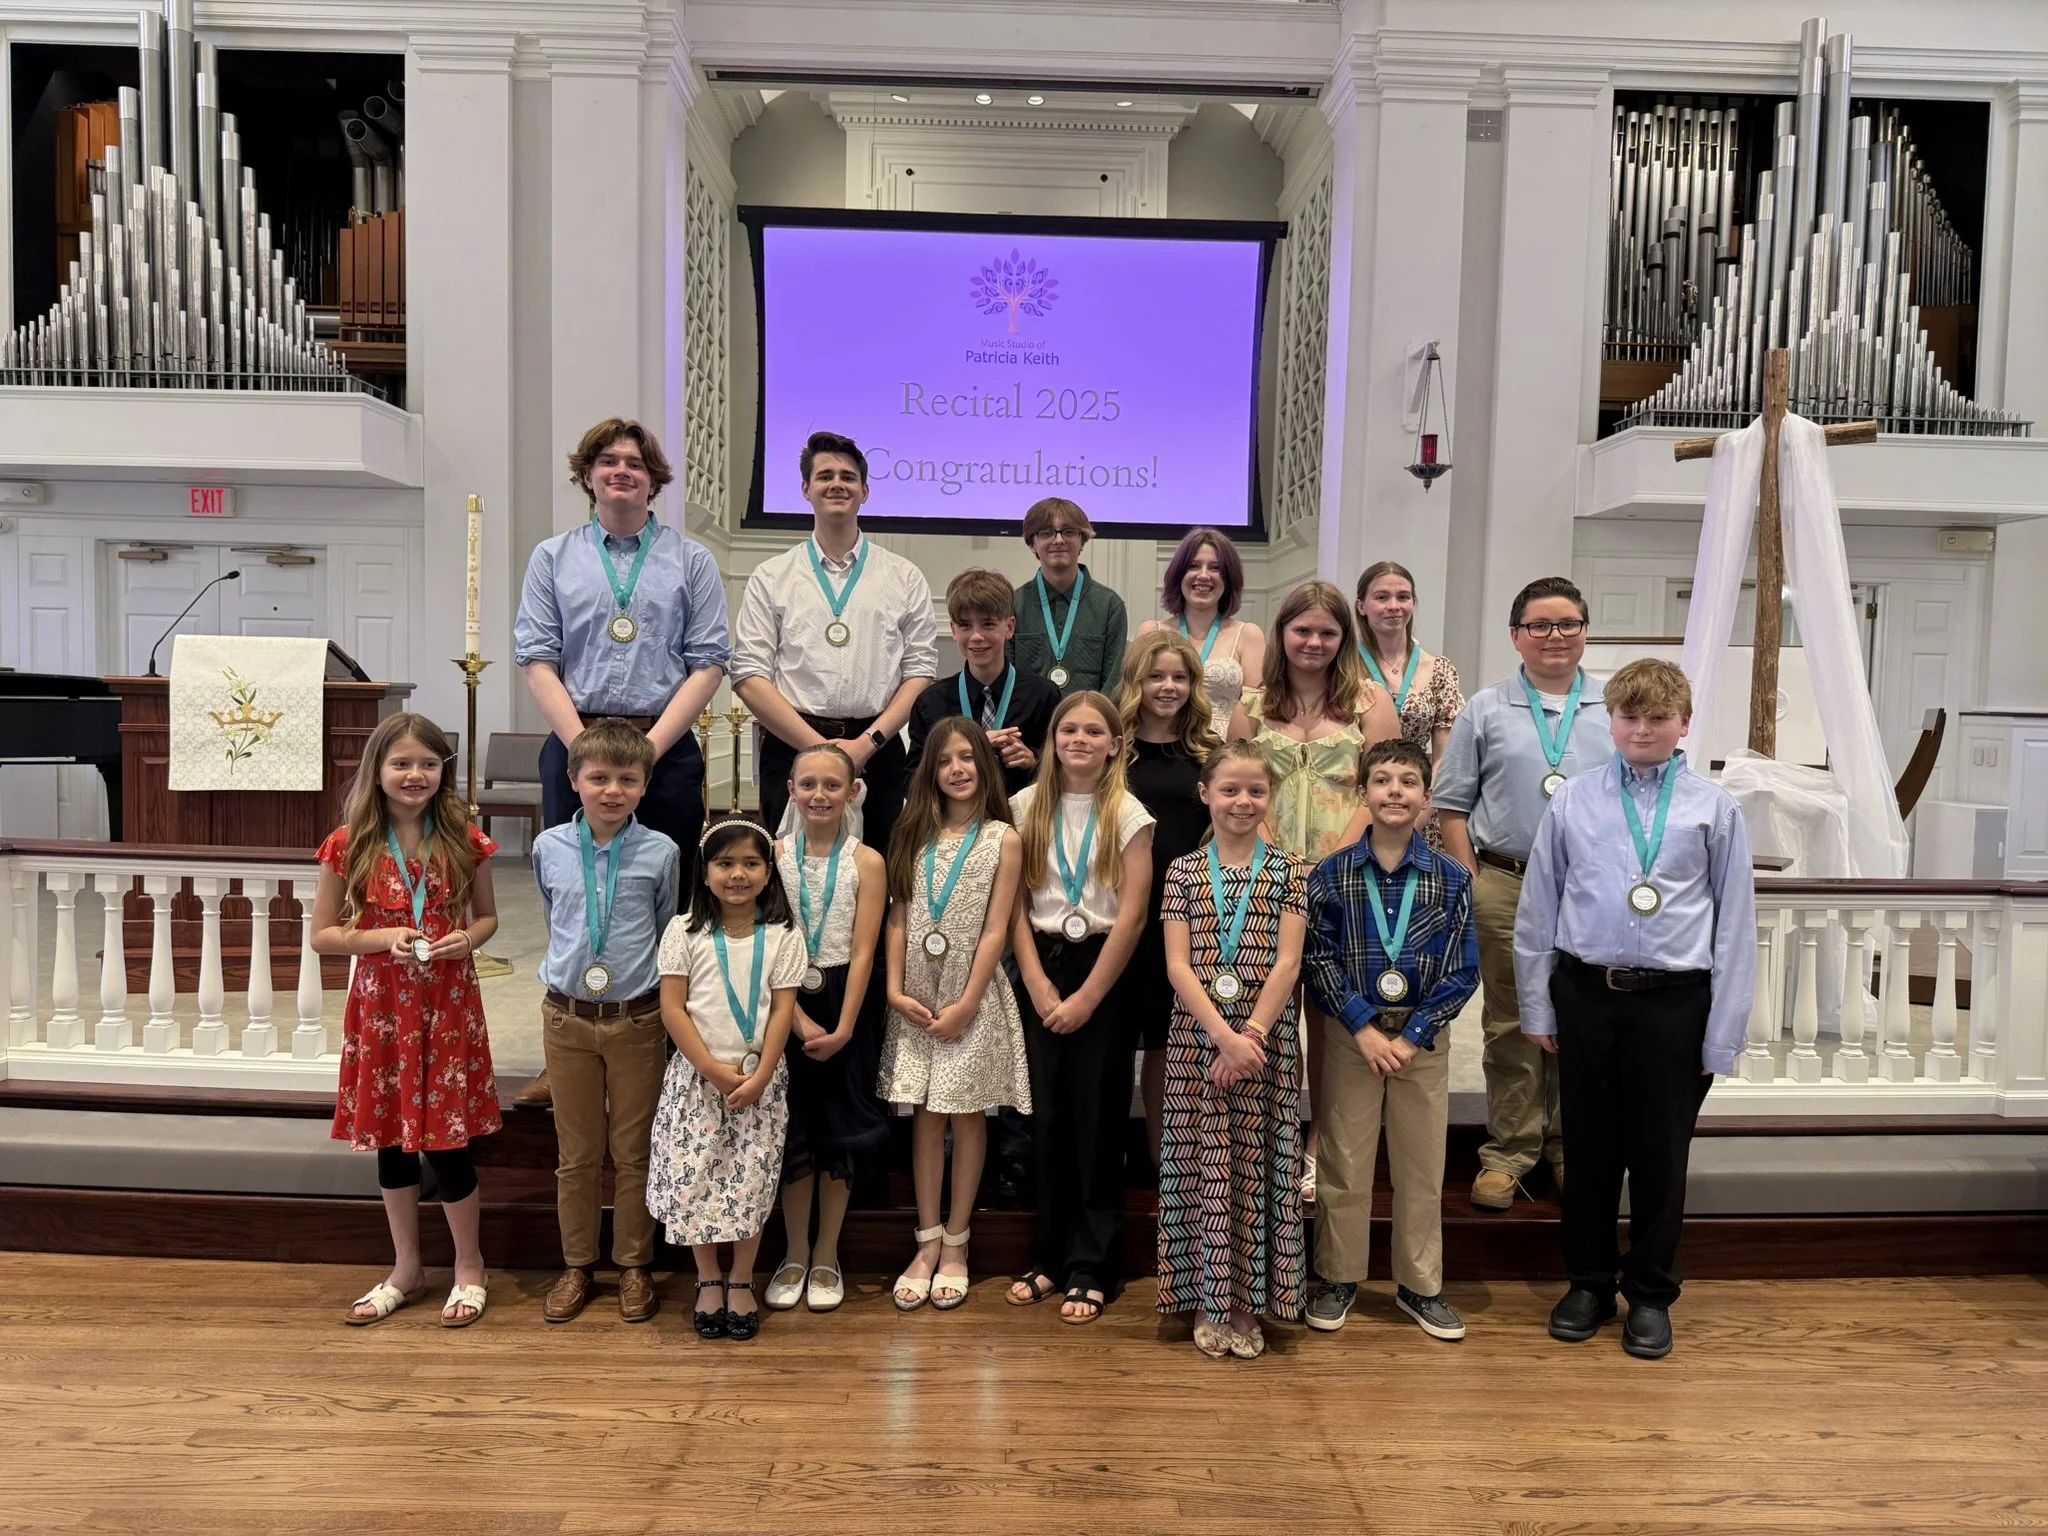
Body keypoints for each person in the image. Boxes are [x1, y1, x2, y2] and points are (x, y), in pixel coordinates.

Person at [1517, 659, 1754, 1360]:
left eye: (1657, 718)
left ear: (1684, 724)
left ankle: (1650, 1292)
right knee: (1588, 1149)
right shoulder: (1574, 801)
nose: (1643, 730)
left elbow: (1736, 927)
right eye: (1630, 716)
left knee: (1660, 1156)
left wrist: (1722, 1034)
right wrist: (1539, 1006)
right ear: (1611, 721)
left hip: (1675, 1003)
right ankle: (1588, 1283)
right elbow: (1538, 908)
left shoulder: (1714, 809)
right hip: (1588, 993)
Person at [513, 416, 730, 1110]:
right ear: (588, 475)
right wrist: (585, 752)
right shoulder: (553, 557)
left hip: (663, 745)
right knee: (573, 894)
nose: (621, 471)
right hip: (575, 739)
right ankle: (565, 1054)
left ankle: (663, 1049)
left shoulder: (691, 560)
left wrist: (645, 753)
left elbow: (708, 661)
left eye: (635, 463)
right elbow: (538, 657)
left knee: (672, 898)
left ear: (653, 479)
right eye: (608, 461)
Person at [314, 712, 500, 1330]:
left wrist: (465, 941)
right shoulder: (348, 843)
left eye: (427, 763)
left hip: (447, 1006)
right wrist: (381, 937)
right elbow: (322, 935)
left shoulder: (466, 840)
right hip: (383, 1011)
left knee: (448, 1143)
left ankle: (469, 1266)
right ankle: (407, 1268)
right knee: (391, 1142)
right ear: (378, 770)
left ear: (444, 771)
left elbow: (487, 919)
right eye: (401, 763)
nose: (415, 774)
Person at [1433, 575, 1611, 1212]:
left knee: (1580, 1018)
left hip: (1593, 888)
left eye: (1567, 624)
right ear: (1516, 636)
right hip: (1506, 880)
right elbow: (1452, 804)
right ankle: (1509, 1150)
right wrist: (1472, 878)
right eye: (1539, 625)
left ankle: (1568, 1146)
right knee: (1511, 1020)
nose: (1554, 636)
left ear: (1585, 632)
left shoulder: (1614, 707)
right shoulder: (1486, 708)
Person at [1227, 579, 1400, 1200]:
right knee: (1270, 1015)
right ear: (1282, 633)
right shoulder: (1251, 706)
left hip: (1346, 880)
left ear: (1344, 637)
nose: (1314, 642)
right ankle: (1275, 1137)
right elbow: (1236, 786)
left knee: (1330, 1018)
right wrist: (1276, 862)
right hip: (1264, 880)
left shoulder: (1370, 702)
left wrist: (1331, 863)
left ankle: (1322, 1143)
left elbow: (1384, 788)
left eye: (1328, 632)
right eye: (1303, 630)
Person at [1302, 738, 1479, 1342]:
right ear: (1363, 792)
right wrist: (1362, 1027)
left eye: (1408, 781)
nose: (1394, 791)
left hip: (1421, 1043)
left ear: (1427, 798)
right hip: (1353, 1037)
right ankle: (1337, 1276)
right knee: (1344, 1163)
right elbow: (1318, 959)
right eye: (1382, 780)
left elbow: (1463, 970)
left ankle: (1419, 1285)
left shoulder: (1451, 878)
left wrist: (1413, 1036)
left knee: (1421, 1167)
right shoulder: (1332, 874)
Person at [1156, 740, 1307, 1361]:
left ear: (1270, 797)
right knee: (1206, 1169)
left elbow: (1289, 962)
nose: (1242, 802)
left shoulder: (1291, 870)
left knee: (1257, 1166)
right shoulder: (1184, 872)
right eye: (1230, 790)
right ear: (1205, 795)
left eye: (1255, 791)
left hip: (1266, 1044)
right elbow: (1177, 966)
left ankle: (1248, 1301)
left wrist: (1252, 1037)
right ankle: (1208, 1299)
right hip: (1199, 1041)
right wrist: (1223, 1036)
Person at [1007, 691, 1154, 1324]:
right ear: (1053, 740)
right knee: (1046, 1117)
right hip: (1042, 963)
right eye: (1069, 729)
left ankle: (1092, 1264)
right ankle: (1048, 1253)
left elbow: (1135, 913)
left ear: (1115, 745)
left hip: (1104, 967)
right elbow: (1012, 905)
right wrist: (1037, 983)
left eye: (1095, 731)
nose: (1080, 740)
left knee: (1097, 1117)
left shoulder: (1128, 812)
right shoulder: (1024, 807)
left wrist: (1089, 995)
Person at [876, 718, 1030, 1311]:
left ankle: (958, 1243)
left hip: (971, 994)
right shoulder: (911, 830)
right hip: (917, 993)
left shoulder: (1002, 838)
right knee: (924, 1115)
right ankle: (927, 1241)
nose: (957, 769)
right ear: (930, 771)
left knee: (966, 1114)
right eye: (944, 760)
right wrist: (894, 989)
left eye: (967, 757)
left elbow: (996, 928)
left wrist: (967, 1002)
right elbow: (898, 914)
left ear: (984, 766)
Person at [530, 719, 680, 1325]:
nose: (612, 790)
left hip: (636, 1019)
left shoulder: (661, 852)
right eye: (599, 778)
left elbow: (666, 929)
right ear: (574, 780)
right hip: (567, 1018)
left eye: (627, 779)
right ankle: (577, 1264)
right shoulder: (548, 847)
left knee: (634, 1149)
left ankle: (634, 1264)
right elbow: (554, 916)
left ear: (644, 785)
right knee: (577, 1153)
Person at [733, 430, 938, 855]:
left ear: (865, 491)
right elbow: (749, 675)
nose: (837, 484)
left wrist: (865, 745)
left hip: (876, 748)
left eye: (848, 476)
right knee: (789, 871)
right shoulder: (772, 576)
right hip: (792, 745)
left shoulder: (903, 576)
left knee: (879, 866)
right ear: (806, 489)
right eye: (825, 476)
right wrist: (819, 750)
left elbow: (920, 672)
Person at [646, 819, 808, 1342]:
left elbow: (782, 1010)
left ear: (768, 874)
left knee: (750, 1182)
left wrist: (762, 1074)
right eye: (725, 863)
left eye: (751, 863)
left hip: (760, 1082)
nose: (738, 874)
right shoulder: (684, 931)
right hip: (698, 1080)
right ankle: (707, 1277)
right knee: (697, 1177)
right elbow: (673, 1009)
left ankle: (741, 1278)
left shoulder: (783, 935)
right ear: (705, 871)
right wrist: (713, 1070)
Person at [766, 744, 890, 1315]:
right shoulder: (772, 855)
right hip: (783, 998)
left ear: (853, 792)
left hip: (846, 1002)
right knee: (794, 1130)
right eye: (808, 784)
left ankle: (826, 1254)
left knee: (838, 1130)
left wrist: (843, 1027)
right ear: (791, 790)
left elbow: (865, 950)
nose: (820, 795)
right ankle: (794, 1252)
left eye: (832, 786)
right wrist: (794, 1018)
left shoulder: (868, 861)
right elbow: (767, 942)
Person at [1114, 629, 1218, 1168]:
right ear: (1136, 681)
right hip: (1115, 913)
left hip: (1184, 917)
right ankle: (1105, 1159)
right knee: (1111, 1041)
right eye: (1156, 676)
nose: (1168, 687)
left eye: (1180, 677)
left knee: (1166, 1042)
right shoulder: (1113, 749)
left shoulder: (1208, 751)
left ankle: (1163, 1162)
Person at [909, 568, 1061, 798]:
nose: (976, 636)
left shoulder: (1043, 696)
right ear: (953, 630)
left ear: (1009, 627)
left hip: (1022, 816)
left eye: (988, 624)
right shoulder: (931, 703)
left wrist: (1034, 761)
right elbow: (912, 781)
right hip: (954, 817)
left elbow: (1065, 770)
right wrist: (970, 750)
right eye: (965, 626)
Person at [1354, 562, 1464, 850]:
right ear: (1361, 606)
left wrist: (1420, 811)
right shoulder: (1343, 668)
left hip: (1419, 805)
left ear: (1413, 603)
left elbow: (1445, 756)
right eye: (1382, 597)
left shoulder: (1439, 670)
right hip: (1357, 804)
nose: (1394, 606)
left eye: (1403, 597)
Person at [1137, 527, 1266, 723]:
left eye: (1215, 568)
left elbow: (1254, 712)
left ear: (1229, 578)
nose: (1204, 575)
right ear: (1179, 574)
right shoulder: (1151, 632)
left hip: (1226, 741)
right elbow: (1134, 699)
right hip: (1162, 739)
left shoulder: (1248, 635)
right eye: (1193, 566)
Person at [1009, 496, 1128, 697]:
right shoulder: (1013, 605)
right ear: (1032, 543)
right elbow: (1007, 679)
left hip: (1090, 716)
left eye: (1069, 532)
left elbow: (1113, 682)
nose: (1058, 540)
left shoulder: (1110, 606)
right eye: (1047, 533)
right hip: (1029, 717)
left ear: (1082, 541)